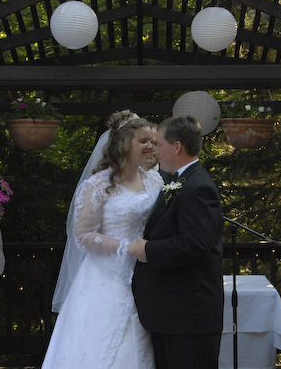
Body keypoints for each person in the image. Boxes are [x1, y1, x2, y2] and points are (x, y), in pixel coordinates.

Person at [42, 110, 162, 369]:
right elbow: (83, 234)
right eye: (144, 141)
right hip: (106, 276)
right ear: (125, 144)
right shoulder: (97, 185)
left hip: (146, 274)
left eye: (153, 141)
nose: (151, 146)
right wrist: (126, 248)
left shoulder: (155, 180)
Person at [130, 116, 224, 369]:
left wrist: (148, 250)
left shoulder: (198, 186)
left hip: (189, 316)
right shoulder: (177, 180)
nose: (155, 151)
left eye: (159, 144)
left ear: (177, 146)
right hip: (171, 314)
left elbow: (194, 244)